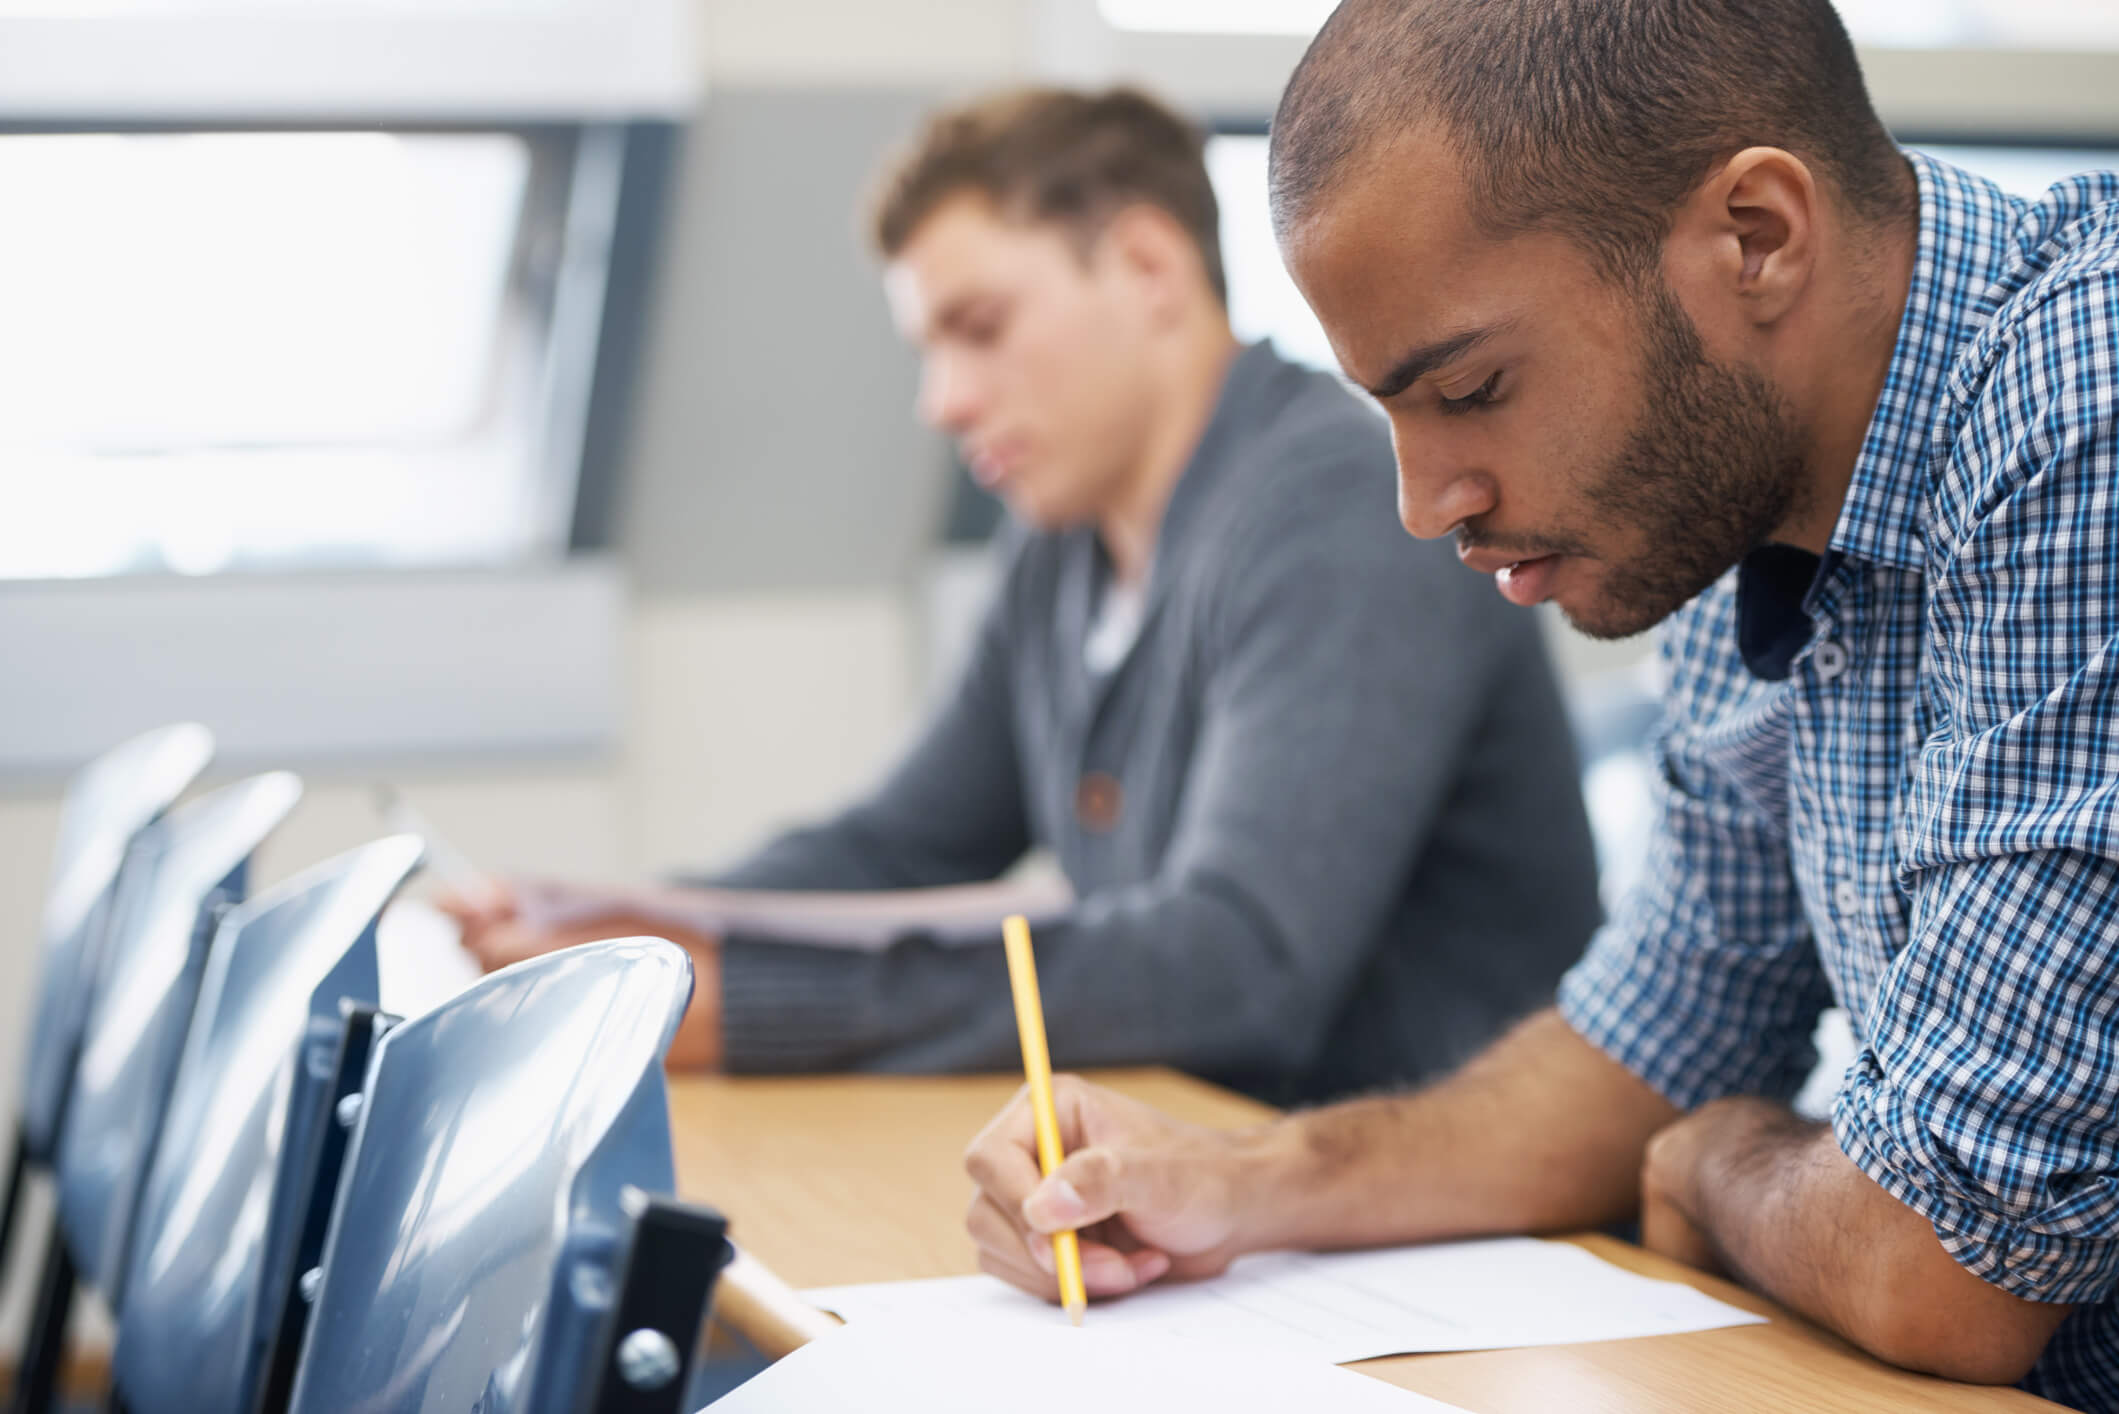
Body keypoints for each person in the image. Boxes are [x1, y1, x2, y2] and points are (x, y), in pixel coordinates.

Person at [960, 4, 2119, 1404]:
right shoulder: (1740, 493)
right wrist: (1239, 1179)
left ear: (1754, 235)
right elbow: (1658, 1033)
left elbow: (1945, 1265)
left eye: (1469, 387)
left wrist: (1714, 1158)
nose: (1420, 500)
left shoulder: (2081, 397)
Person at [448, 85, 1601, 1106]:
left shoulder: (1339, 504)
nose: (942, 402)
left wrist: (752, 1005)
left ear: (1149, 268)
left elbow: (1235, 966)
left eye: (981, 328)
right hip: (1223, 1191)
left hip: (1446, 1242)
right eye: (928, 350)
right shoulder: (1063, 542)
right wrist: (627, 931)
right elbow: (897, 846)